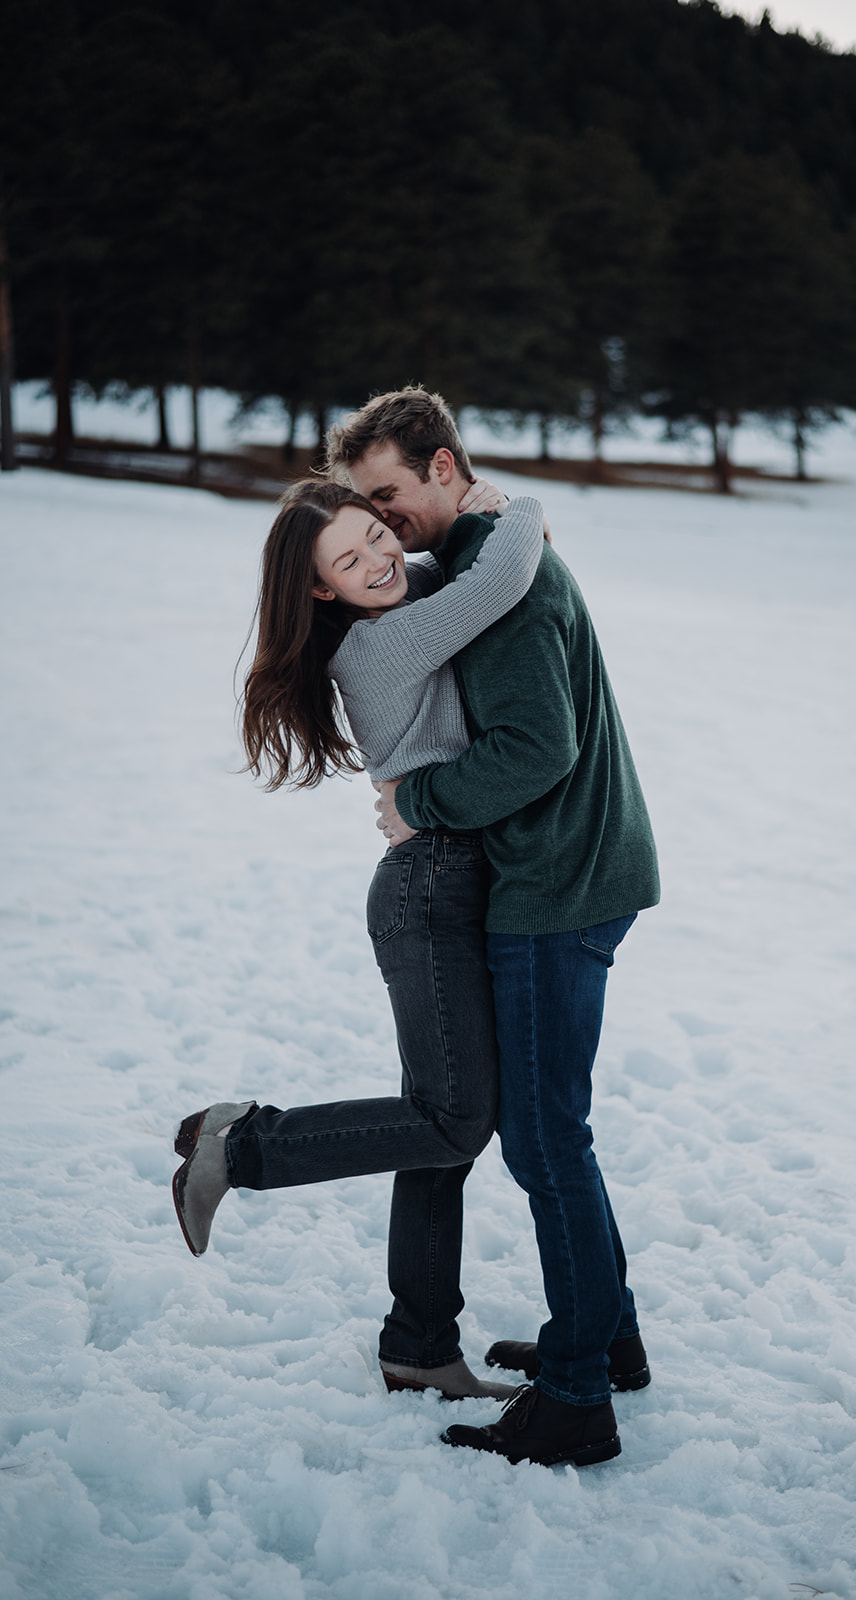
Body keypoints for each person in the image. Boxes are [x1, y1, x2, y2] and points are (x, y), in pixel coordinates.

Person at [328, 386, 660, 1468]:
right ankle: (606, 1341)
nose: (383, 522)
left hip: (556, 885)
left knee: (545, 1141)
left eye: (387, 495)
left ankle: (575, 1399)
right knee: (555, 1131)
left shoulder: (498, 579)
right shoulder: (482, 565)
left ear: (442, 466)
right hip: (575, 871)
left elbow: (536, 747)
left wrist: (416, 802)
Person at [172, 473, 548, 1402]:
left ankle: (418, 1347)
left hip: (454, 880)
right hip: (430, 888)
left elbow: (458, 575)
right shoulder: (379, 644)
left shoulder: (403, 601)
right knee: (452, 1120)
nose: (379, 559)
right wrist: (515, 508)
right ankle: (242, 1147)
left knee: (442, 1130)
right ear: (320, 588)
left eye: (376, 535)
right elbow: (502, 578)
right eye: (349, 559)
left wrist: (463, 533)